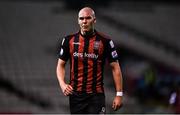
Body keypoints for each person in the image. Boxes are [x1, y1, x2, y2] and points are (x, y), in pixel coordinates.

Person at [56, 7, 123, 114]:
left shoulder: (105, 41)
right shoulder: (69, 40)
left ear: (94, 20)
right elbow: (60, 65)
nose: (84, 21)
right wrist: (62, 84)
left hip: (96, 95)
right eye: (81, 18)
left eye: (88, 18)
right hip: (76, 96)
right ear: (78, 20)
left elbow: (115, 68)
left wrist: (119, 94)